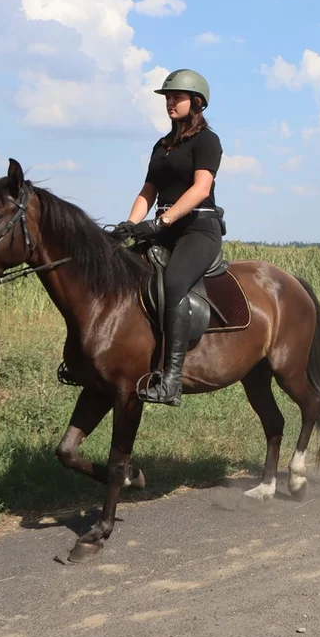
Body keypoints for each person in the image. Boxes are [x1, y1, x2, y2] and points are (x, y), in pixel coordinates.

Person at [111, 69, 224, 406]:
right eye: (167, 98)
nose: (170, 103)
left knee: (174, 283)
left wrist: (161, 222)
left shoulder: (207, 141)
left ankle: (172, 381)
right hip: (166, 226)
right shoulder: (162, 146)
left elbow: (201, 188)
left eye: (177, 97)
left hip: (198, 229)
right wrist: (129, 225)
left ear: (197, 102)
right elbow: (148, 189)